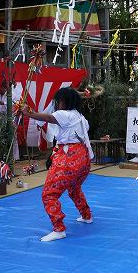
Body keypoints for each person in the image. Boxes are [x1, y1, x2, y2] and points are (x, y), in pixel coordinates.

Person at [21, 87, 94, 242]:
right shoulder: (80, 117)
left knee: (49, 194)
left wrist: (30, 114)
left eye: (58, 101)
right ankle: (86, 215)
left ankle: (59, 229)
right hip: (84, 159)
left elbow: (49, 118)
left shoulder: (64, 114)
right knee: (74, 189)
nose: (56, 104)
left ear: (63, 101)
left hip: (69, 158)